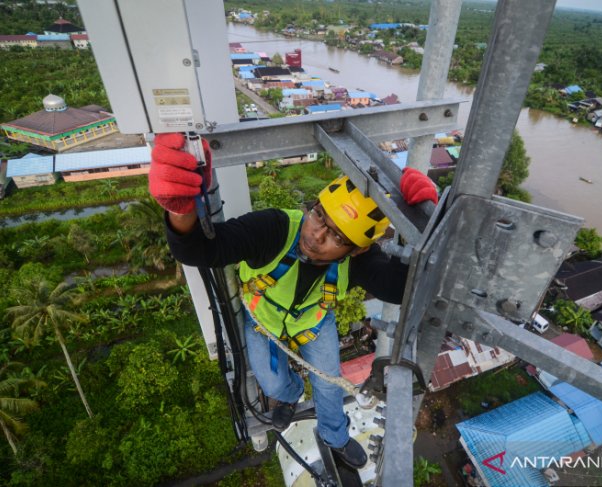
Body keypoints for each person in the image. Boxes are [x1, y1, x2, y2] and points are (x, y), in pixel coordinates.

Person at [148, 133, 437, 469]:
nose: (316, 235)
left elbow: (400, 288)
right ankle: (289, 394)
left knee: (329, 386)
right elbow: (199, 249)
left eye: (337, 237)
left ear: (357, 249)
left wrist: (420, 226)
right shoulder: (275, 229)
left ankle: (335, 437)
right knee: (272, 381)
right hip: (263, 322)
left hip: (313, 324)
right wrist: (180, 210)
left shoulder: (357, 262)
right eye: (319, 216)